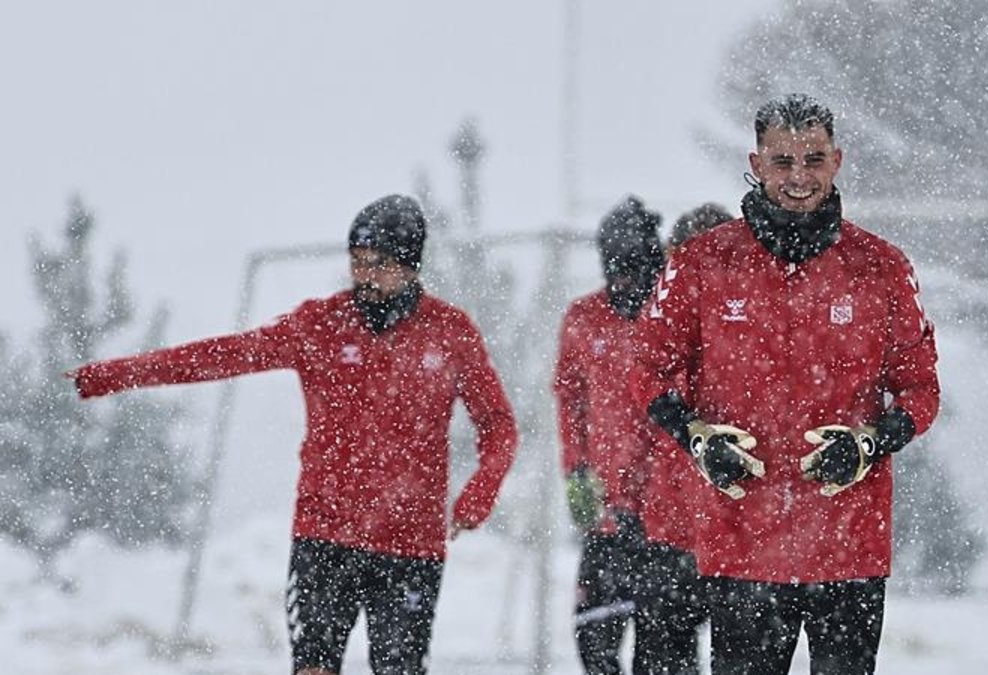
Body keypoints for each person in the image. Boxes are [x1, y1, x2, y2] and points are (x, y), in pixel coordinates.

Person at [68, 195, 518, 675]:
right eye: (357, 262)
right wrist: (113, 375)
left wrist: (479, 493)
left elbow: (498, 425)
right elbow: (225, 354)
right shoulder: (319, 324)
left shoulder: (450, 332)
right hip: (325, 537)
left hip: (410, 545)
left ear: (409, 266)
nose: (364, 275)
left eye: (379, 265)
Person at [630, 94, 940, 675]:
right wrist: (695, 437)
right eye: (783, 162)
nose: (800, 178)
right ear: (756, 161)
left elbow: (922, 390)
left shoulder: (882, 267)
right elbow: (645, 369)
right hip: (741, 540)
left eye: (814, 160)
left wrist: (870, 443)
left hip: (850, 547)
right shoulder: (703, 263)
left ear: (838, 160)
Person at [553, 196, 665, 674]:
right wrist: (576, 471)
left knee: (663, 650)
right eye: (614, 267)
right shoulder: (584, 319)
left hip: (667, 518)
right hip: (607, 513)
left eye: (633, 267)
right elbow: (569, 399)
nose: (623, 280)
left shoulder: (672, 317)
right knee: (595, 642)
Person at [633, 201, 734, 674]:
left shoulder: (751, 327)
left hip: (737, 532)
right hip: (670, 527)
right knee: (662, 659)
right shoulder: (656, 324)